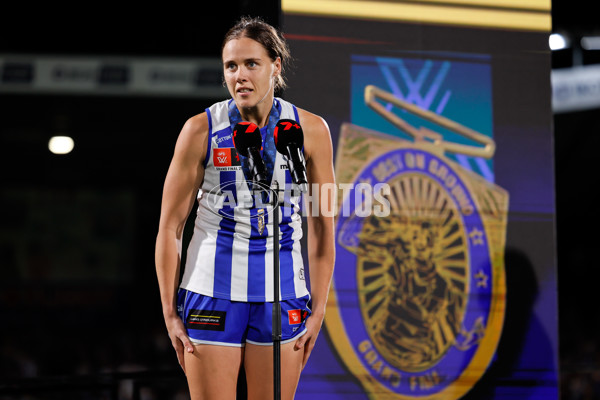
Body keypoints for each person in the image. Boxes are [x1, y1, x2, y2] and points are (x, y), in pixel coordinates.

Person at [155, 16, 335, 400]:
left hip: (283, 294)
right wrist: (170, 312)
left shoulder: (312, 130)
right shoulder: (199, 130)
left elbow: (322, 228)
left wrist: (318, 309)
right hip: (210, 293)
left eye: (251, 64)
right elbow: (169, 228)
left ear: (276, 66)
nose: (240, 75)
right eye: (231, 66)